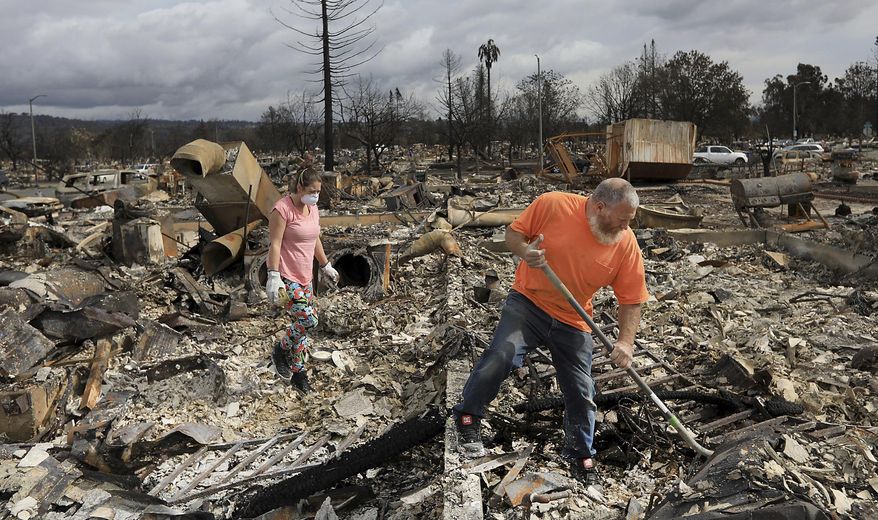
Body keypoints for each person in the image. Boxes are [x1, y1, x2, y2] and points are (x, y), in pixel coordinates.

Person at [451, 178, 649, 483]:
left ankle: (580, 455)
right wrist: (525, 252)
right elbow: (513, 235)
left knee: (582, 390)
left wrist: (626, 341)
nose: (625, 227)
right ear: (599, 207)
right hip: (529, 303)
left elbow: (632, 298)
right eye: (622, 219)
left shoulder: (626, 243)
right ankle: (468, 416)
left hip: (573, 318)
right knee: (502, 355)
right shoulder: (553, 205)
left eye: (629, 222)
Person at [265, 168, 339, 393]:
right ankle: (281, 348)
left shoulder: (313, 209)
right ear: (299, 188)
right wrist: (273, 274)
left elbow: (315, 238)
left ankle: (298, 374)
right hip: (288, 277)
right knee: (309, 321)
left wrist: (325, 265)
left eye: (318, 192)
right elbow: (275, 244)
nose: (315, 196)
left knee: (303, 331)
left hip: (307, 277)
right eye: (311, 191)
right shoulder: (282, 210)